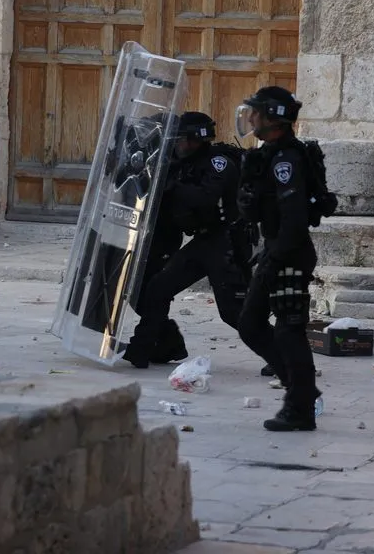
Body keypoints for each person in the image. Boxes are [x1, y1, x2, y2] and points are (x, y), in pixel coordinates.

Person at [123, 112, 258, 370]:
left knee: (231, 312)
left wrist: (168, 184)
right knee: (157, 288)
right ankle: (142, 350)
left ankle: (283, 354)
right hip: (203, 242)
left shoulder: (218, 163)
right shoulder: (183, 161)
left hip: (226, 243)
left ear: (198, 140)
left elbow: (204, 197)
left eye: (185, 140)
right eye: (178, 140)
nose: (180, 145)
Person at [235, 87, 324, 432]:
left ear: (272, 119)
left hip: (290, 251)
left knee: (289, 331)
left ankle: (299, 408)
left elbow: (294, 218)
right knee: (250, 324)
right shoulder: (269, 154)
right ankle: (301, 388)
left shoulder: (288, 159)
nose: (251, 119)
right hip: (276, 248)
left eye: (257, 113)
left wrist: (276, 258)